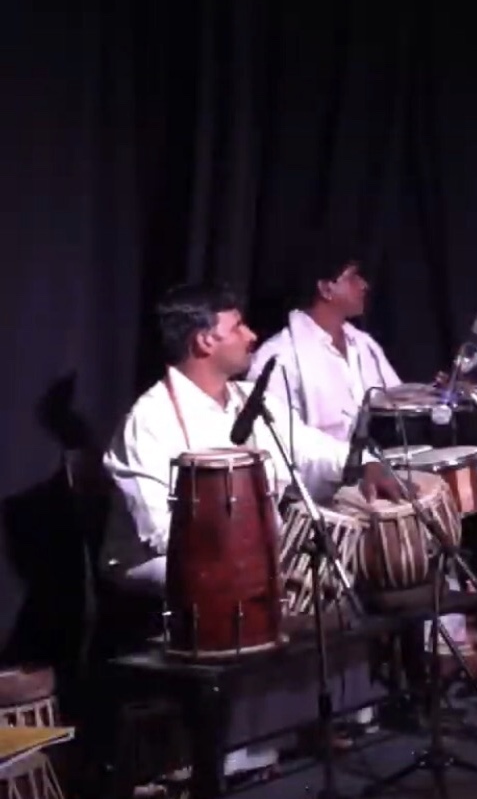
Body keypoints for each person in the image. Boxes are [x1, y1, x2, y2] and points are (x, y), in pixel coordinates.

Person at [100, 282, 402, 780]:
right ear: (204, 341)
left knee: (330, 563)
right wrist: (245, 556)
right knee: (253, 585)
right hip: (161, 560)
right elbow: (160, 531)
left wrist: (364, 463)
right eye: (236, 326)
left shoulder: (247, 400)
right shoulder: (150, 420)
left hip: (251, 549)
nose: (251, 335)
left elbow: (311, 449)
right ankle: (244, 752)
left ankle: (313, 718)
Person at [249, 241, 401, 441]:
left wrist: (435, 393)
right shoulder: (279, 356)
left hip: (378, 456)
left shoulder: (364, 344)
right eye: (352, 277)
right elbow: (280, 438)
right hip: (324, 462)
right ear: (325, 289)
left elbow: (397, 399)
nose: (364, 285)